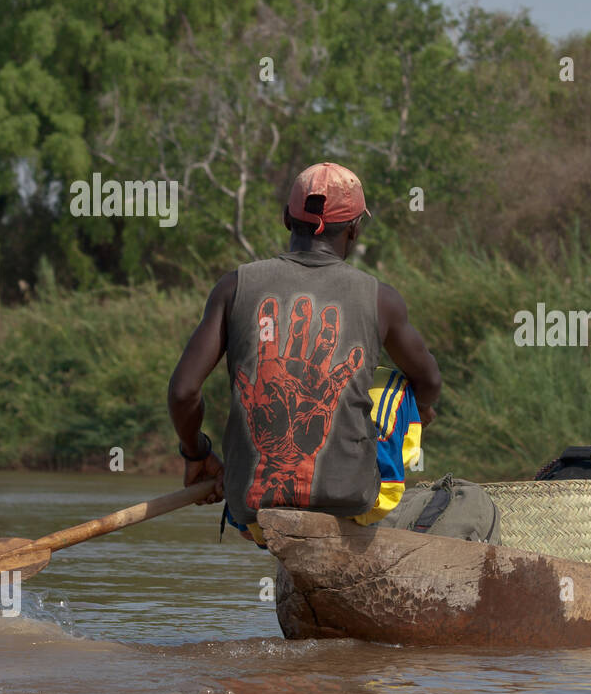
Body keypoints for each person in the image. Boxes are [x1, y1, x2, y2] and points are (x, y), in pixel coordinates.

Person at [167, 162, 442, 545]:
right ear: (355, 229)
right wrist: (421, 412)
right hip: (353, 501)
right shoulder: (381, 299)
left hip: (251, 510)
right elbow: (429, 380)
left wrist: (197, 455)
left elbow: (183, 391)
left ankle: (255, 489)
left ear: (285, 218)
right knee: (397, 385)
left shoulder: (233, 287)